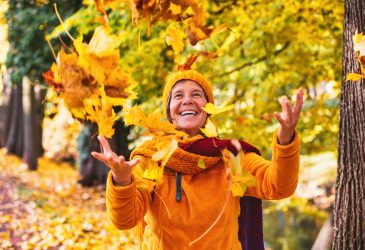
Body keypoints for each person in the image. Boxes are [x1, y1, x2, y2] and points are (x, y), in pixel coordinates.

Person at [92, 68, 303, 250]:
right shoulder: (149, 158)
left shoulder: (230, 156)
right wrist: (121, 181)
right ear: (169, 112)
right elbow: (124, 220)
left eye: (196, 94)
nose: (187, 100)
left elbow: (278, 186)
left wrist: (286, 140)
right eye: (178, 95)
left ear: (208, 107)